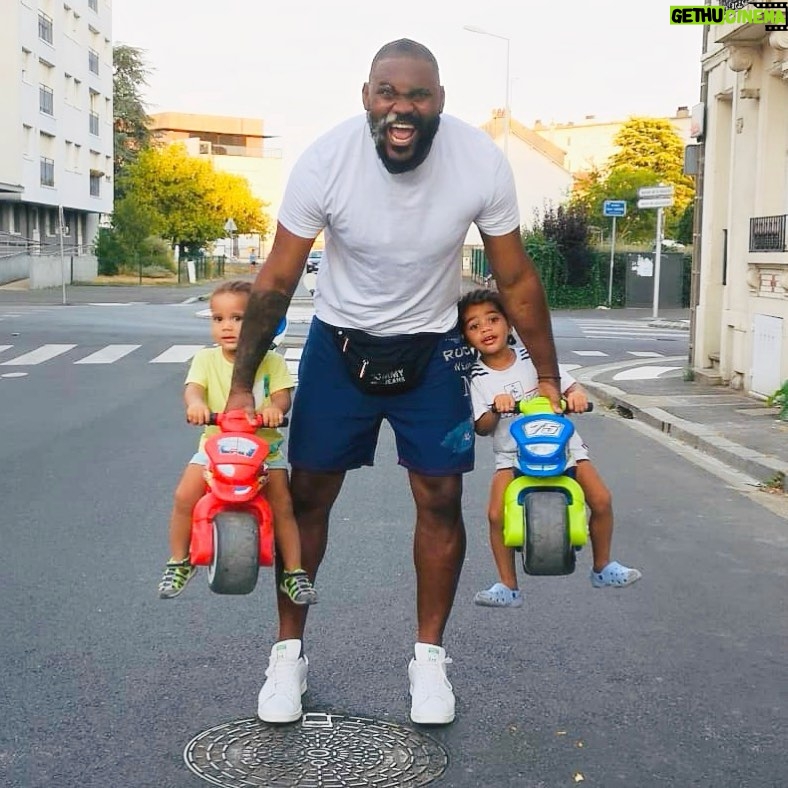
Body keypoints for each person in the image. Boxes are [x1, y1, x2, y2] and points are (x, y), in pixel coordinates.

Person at [225, 39, 563, 726]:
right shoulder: (325, 161)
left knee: (441, 498)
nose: (401, 109)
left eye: (417, 95)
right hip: (339, 348)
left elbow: (517, 277)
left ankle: (429, 662)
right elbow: (277, 281)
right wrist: (239, 388)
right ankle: (287, 657)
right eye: (388, 93)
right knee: (307, 497)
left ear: (439, 101)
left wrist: (549, 376)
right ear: (366, 97)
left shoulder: (478, 162)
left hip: (433, 353)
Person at [458, 289, 642, 608]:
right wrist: (495, 409)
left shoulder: (533, 359)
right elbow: (482, 426)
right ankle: (507, 585)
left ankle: (603, 566)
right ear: (466, 337)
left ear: (509, 324)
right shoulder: (476, 375)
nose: (485, 329)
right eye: (474, 326)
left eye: (492, 319)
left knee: (601, 499)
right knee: (495, 514)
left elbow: (568, 385)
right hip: (512, 456)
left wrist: (577, 396)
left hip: (565, 449)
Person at [157, 279, 317, 607]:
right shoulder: (206, 359)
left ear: (258, 324)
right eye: (219, 319)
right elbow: (194, 388)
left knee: (284, 506)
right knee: (184, 495)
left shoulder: (272, 362)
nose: (227, 327)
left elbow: (283, 395)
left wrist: (275, 409)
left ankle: (294, 572)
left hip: (263, 449)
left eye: (238, 318)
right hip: (215, 445)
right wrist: (196, 405)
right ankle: (179, 561)